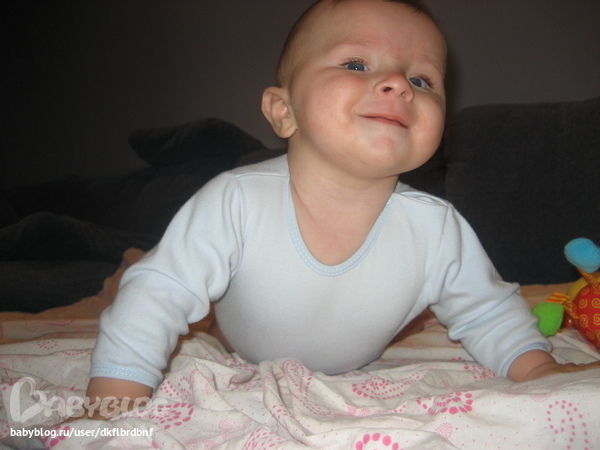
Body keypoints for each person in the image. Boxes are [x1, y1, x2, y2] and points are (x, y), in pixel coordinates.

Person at [83, 0, 600, 419]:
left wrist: (537, 369)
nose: (398, 83)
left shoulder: (436, 228)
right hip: (236, 337)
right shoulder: (236, 201)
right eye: (356, 64)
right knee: (164, 283)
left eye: (422, 80)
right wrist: (114, 397)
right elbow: (159, 293)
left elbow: (487, 310)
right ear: (284, 111)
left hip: (355, 357)